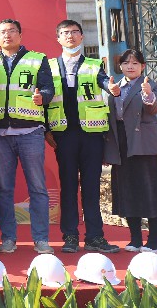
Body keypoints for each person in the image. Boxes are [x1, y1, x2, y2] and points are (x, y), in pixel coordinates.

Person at [46, 20, 119, 253]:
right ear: (58, 38)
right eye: (65, 33)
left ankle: (95, 236)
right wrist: (46, 129)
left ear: (82, 37)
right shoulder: (49, 66)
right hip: (63, 135)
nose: (70, 36)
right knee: (68, 186)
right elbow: (42, 98)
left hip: (91, 135)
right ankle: (70, 236)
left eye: (75, 32)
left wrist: (111, 88)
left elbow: (104, 82)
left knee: (91, 186)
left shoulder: (94, 65)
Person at [0, 19, 55, 255]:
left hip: (30, 132)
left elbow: (48, 88)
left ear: (20, 35)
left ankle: (41, 239)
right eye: (2, 32)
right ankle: (8, 238)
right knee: (4, 189)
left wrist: (42, 97)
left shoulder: (37, 59)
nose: (7, 35)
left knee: (37, 187)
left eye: (12, 31)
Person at [105, 49, 157, 252]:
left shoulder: (151, 85)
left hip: (145, 143)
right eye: (126, 63)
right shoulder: (114, 86)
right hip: (121, 142)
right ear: (120, 66)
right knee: (127, 189)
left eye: (135, 63)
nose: (130, 66)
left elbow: (153, 109)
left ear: (142, 66)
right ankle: (135, 239)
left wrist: (147, 94)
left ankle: (154, 240)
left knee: (152, 190)